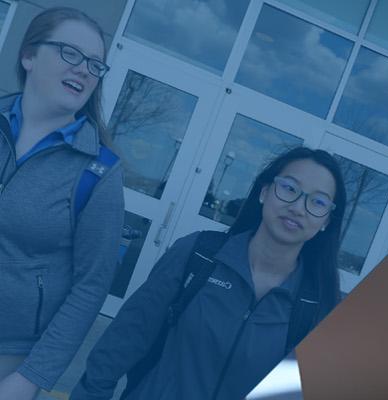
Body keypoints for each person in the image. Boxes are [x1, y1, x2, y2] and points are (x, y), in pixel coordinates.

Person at [75, 147, 345, 400]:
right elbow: (128, 335)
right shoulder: (199, 254)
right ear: (264, 192)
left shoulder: (317, 306)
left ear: (326, 222)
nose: (298, 207)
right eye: (289, 188)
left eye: (318, 202)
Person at [0, 8, 122, 399]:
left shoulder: (98, 173)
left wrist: (32, 376)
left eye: (95, 64)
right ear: (29, 56)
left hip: (10, 353)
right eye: (70, 53)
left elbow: (90, 287)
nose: (84, 69)